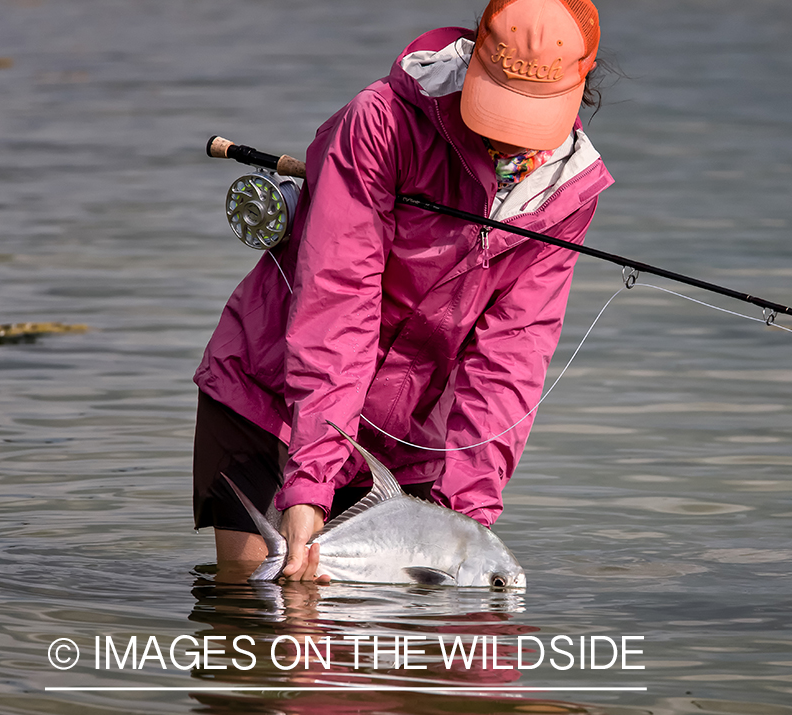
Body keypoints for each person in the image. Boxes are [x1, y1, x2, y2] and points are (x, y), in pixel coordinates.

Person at [192, 0, 613, 582]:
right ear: (474, 62)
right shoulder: (380, 122)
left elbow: (509, 362)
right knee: (255, 618)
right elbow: (337, 301)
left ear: (581, 79)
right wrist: (310, 482)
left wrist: (462, 525)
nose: (508, 141)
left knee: (394, 660)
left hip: (405, 440)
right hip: (274, 400)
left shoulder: (569, 189)